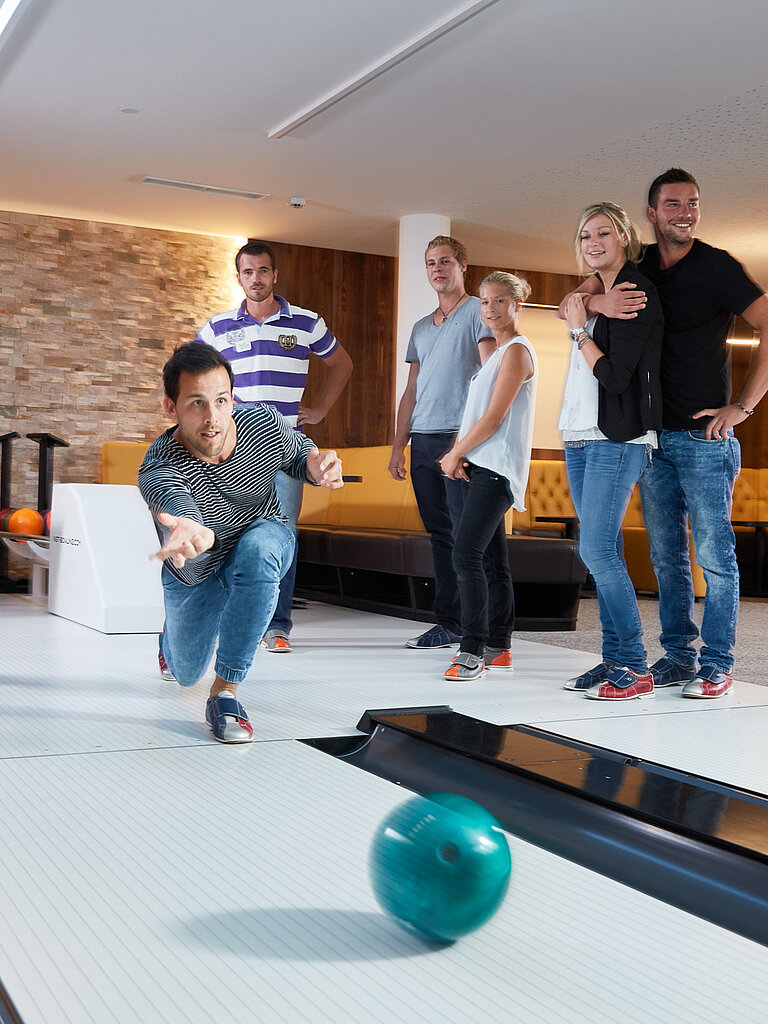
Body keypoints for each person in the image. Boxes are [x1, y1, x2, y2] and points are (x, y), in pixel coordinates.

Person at [562, 170, 768, 698]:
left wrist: (744, 405)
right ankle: (677, 656)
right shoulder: (641, 265)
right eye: (672, 204)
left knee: (714, 556)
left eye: (693, 204)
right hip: (650, 436)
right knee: (665, 557)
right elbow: (587, 283)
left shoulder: (717, 266)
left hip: (703, 437)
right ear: (650, 214)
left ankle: (717, 662)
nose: (685, 212)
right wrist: (593, 301)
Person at [138, 342, 342, 743]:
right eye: (196, 403)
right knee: (185, 673)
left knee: (260, 550)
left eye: (220, 400)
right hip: (197, 570)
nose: (212, 418)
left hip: (262, 533)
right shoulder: (159, 465)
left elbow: (298, 455)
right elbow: (178, 506)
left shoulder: (261, 424)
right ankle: (170, 640)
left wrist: (317, 467)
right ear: (170, 406)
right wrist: (193, 531)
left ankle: (225, 693)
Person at [195, 240, 352, 653]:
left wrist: (319, 409)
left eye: (263, 271)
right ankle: (224, 617)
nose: (256, 279)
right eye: (248, 272)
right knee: (222, 529)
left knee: (282, 532)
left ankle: (277, 626)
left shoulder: (305, 322)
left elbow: (342, 363)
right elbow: (195, 375)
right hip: (231, 446)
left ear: (275, 274)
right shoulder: (217, 327)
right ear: (239, 277)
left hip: (285, 445)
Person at [559, 203, 663, 700]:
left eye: (603, 232)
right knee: (605, 550)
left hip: (617, 438)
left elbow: (615, 376)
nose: (593, 241)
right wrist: (589, 308)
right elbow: (569, 303)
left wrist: (581, 330)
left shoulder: (635, 290)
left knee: (596, 549)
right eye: (584, 236)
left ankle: (635, 665)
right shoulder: (596, 291)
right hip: (579, 434)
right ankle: (613, 658)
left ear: (625, 236)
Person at [389, 235, 494, 649]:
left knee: (465, 536)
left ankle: (477, 629)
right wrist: (399, 445)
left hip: (458, 439)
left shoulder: (477, 313)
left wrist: (466, 444)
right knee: (440, 534)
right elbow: (411, 390)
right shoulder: (419, 328)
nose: (437, 269)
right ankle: (450, 622)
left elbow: (490, 376)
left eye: (445, 261)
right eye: (431, 262)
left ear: (462, 265)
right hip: (423, 438)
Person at [438, 272, 537, 680]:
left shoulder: (516, 351)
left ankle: (472, 649)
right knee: (493, 560)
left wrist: (454, 453)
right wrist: (461, 456)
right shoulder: (495, 355)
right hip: (480, 466)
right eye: (484, 302)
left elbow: (494, 419)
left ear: (517, 306)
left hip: (497, 469)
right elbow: (477, 414)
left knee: (465, 554)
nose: (490, 310)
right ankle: (499, 646)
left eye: (500, 302)